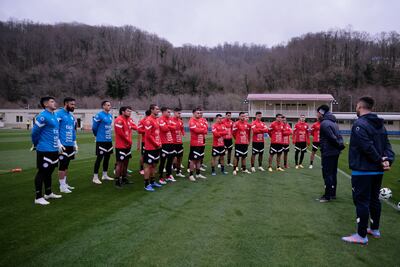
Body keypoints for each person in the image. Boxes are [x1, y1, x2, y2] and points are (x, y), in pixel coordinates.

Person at [342, 96, 395, 245]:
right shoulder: (380, 125)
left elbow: (366, 147)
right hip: (377, 171)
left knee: (362, 201)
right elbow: (388, 147)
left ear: (359, 106)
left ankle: (361, 235)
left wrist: (380, 160)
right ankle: (375, 229)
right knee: (373, 200)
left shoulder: (359, 124)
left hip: (363, 170)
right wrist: (387, 160)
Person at [31, 96, 62, 205]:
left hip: (53, 149)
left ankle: (48, 193)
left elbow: (55, 132)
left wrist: (58, 144)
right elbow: (34, 132)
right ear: (45, 104)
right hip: (44, 149)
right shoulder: (43, 116)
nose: (55, 103)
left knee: (49, 171)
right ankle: (38, 197)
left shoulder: (54, 115)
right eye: (52, 101)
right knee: (42, 172)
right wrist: (36, 144)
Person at [316, 105, 345, 203]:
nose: (317, 115)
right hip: (334, 152)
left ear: (321, 113)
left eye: (318, 113)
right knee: (333, 173)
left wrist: (339, 145)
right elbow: (339, 136)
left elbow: (332, 137)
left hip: (328, 152)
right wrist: (340, 145)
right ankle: (332, 194)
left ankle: (327, 195)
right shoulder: (334, 123)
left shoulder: (324, 123)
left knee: (327, 174)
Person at [56, 97, 78, 193]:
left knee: (66, 165)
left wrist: (75, 142)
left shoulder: (71, 116)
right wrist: (58, 143)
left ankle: (65, 183)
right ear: (66, 104)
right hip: (62, 144)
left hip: (70, 144)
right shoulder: (58, 114)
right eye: (71, 104)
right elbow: (55, 129)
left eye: (74, 104)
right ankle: (62, 186)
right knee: (62, 165)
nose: (74, 106)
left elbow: (73, 131)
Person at [114, 106, 137, 188]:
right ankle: (117, 180)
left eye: (130, 111)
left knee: (126, 162)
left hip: (128, 145)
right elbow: (120, 133)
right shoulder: (119, 120)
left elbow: (135, 127)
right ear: (123, 112)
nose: (130, 113)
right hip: (121, 146)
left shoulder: (129, 120)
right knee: (120, 163)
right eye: (128, 111)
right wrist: (128, 140)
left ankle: (124, 178)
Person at [92, 101, 114, 184]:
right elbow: (94, 127)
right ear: (103, 106)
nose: (109, 106)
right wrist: (96, 135)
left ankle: (105, 175)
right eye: (108, 105)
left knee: (107, 158)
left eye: (110, 105)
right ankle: (95, 177)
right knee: (99, 158)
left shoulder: (110, 116)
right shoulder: (99, 115)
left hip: (108, 140)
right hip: (101, 140)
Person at [143, 104, 163, 191]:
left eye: (158, 109)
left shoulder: (157, 120)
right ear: (151, 110)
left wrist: (160, 143)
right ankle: (146, 184)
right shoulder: (148, 120)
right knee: (148, 166)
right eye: (156, 109)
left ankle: (152, 181)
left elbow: (157, 134)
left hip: (157, 147)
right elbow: (148, 135)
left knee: (154, 165)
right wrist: (156, 143)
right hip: (150, 148)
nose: (158, 111)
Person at [158, 107, 177, 184]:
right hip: (164, 143)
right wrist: (169, 127)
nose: (170, 113)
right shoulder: (160, 119)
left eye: (170, 112)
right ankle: (160, 177)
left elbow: (175, 127)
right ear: (163, 112)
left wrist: (168, 126)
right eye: (168, 112)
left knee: (170, 159)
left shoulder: (170, 119)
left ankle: (168, 175)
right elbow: (164, 129)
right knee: (163, 160)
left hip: (170, 142)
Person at [188, 108, 208, 181]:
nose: (199, 114)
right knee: (193, 160)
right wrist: (202, 129)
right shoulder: (191, 121)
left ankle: (198, 174)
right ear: (193, 113)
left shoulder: (201, 121)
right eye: (197, 113)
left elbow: (206, 130)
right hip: (195, 144)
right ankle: (190, 175)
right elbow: (196, 130)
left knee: (199, 159)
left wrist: (201, 130)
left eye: (200, 113)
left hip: (201, 143)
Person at [171, 108, 185, 178]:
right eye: (178, 113)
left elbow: (182, 128)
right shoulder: (170, 120)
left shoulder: (180, 121)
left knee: (180, 157)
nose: (180, 114)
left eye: (180, 113)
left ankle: (178, 172)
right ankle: (170, 172)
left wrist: (183, 133)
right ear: (174, 113)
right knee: (173, 158)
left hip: (179, 142)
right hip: (172, 143)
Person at [137, 110, 151, 175]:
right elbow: (139, 130)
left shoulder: (152, 120)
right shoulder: (142, 121)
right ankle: (141, 169)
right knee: (143, 156)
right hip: (144, 141)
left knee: (150, 155)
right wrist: (146, 131)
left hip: (151, 141)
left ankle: (149, 168)